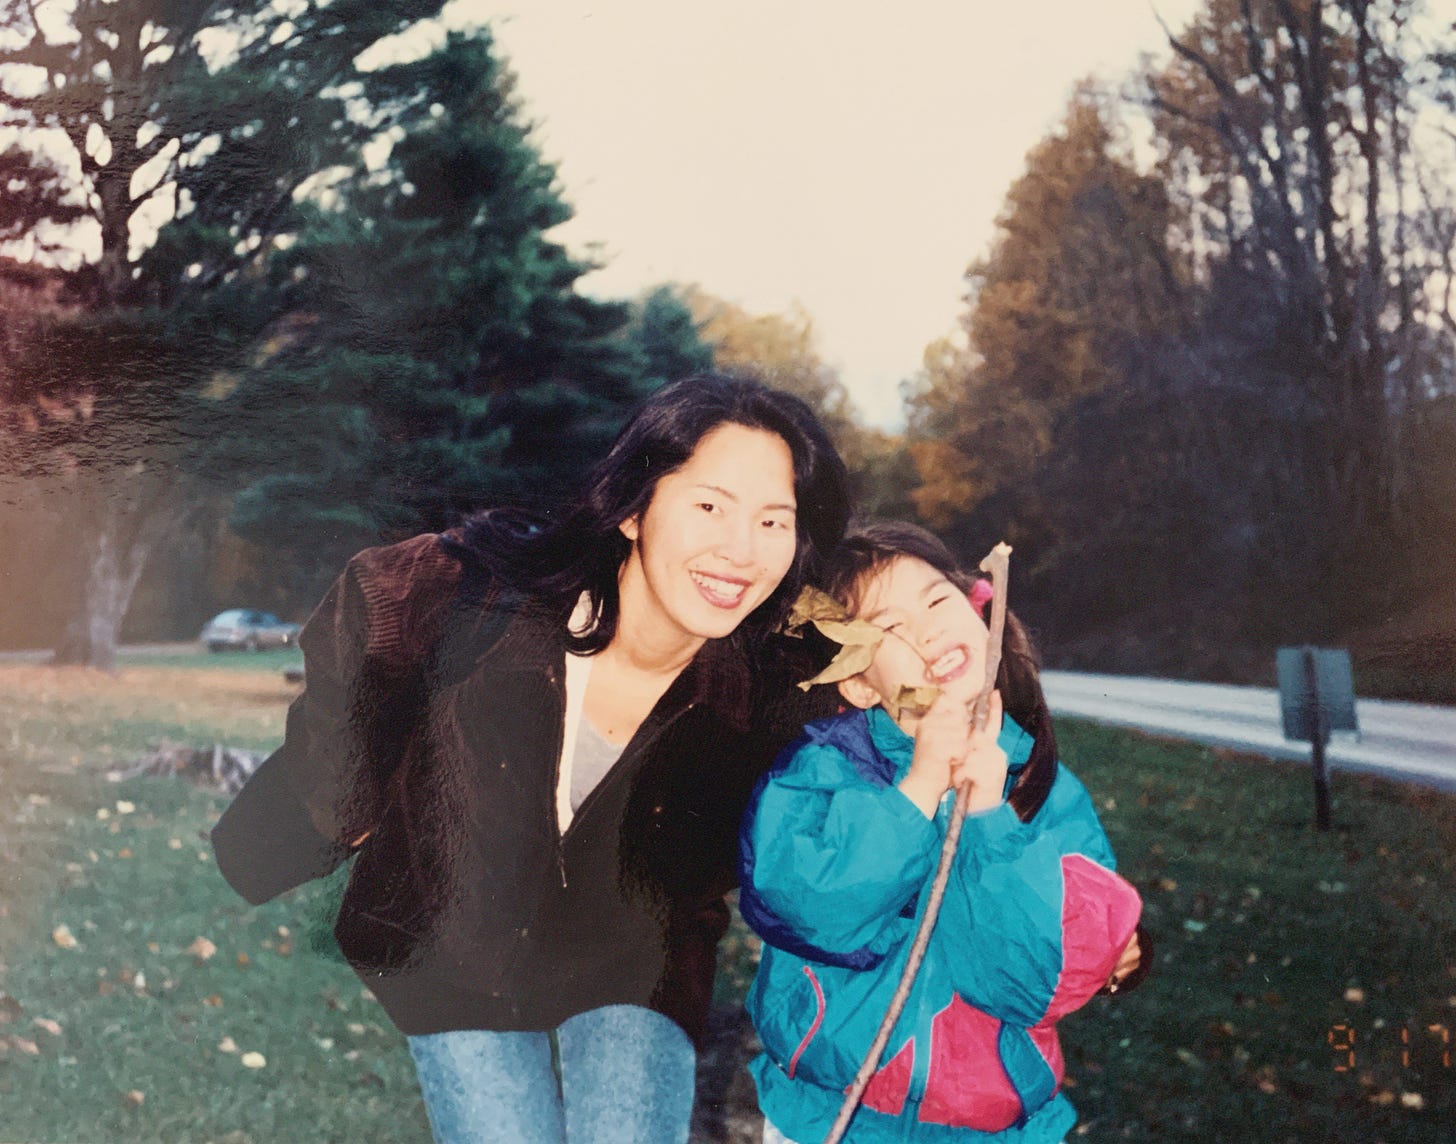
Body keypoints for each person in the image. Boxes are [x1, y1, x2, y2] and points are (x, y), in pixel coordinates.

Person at [211, 373, 851, 1144]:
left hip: (631, 960)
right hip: (460, 943)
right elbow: (374, 605)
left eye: (773, 521)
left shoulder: (774, 689)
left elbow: (896, 645)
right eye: (710, 506)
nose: (740, 551)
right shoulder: (477, 601)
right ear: (634, 508)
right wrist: (335, 806)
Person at [738, 521, 1146, 1144]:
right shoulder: (820, 775)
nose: (926, 627)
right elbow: (811, 907)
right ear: (854, 679)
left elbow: (1039, 983)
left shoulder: (1046, 792)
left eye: (934, 599)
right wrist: (919, 787)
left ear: (979, 609)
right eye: (891, 627)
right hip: (832, 1122)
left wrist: (988, 820)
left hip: (989, 1131)